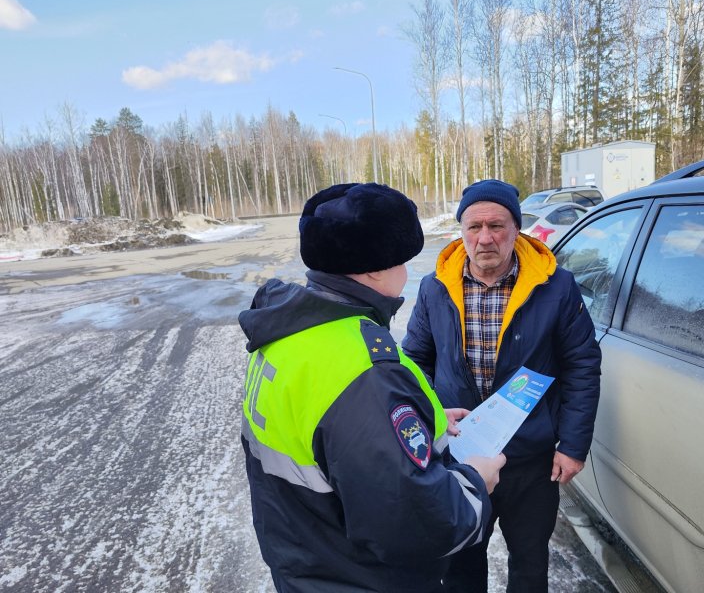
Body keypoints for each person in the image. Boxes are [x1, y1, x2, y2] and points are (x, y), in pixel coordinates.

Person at [239, 182, 506, 593]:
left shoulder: (290, 332)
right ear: (376, 270)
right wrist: (476, 482)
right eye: (403, 261)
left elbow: (330, 430)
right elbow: (416, 523)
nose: (407, 272)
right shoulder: (364, 370)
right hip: (361, 577)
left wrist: (427, 418)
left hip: (308, 558)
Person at [402, 179, 602, 592]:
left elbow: (581, 364)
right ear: (462, 231)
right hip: (460, 456)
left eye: (497, 225)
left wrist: (572, 445)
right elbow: (415, 362)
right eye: (474, 227)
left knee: (530, 564)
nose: (485, 237)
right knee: (460, 564)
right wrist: (430, 423)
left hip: (531, 459)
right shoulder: (435, 288)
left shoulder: (555, 287)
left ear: (517, 228)